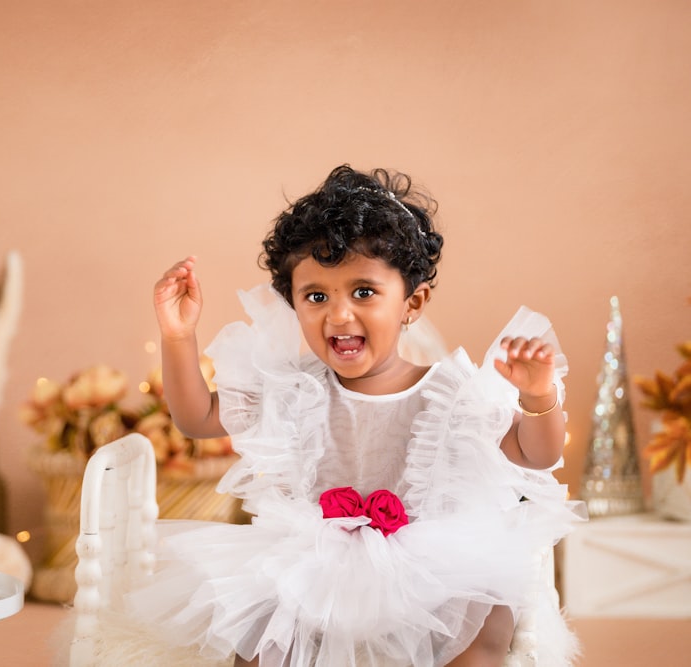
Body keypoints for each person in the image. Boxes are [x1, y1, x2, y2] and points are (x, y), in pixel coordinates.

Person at [135, 165, 584, 667]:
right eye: (316, 296)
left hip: (431, 568)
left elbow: (537, 453)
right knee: (263, 629)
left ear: (412, 302)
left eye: (364, 292)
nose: (340, 314)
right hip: (316, 561)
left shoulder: (453, 395)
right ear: (294, 305)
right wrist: (178, 337)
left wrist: (539, 397)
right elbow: (197, 419)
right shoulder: (294, 387)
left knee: (485, 617)